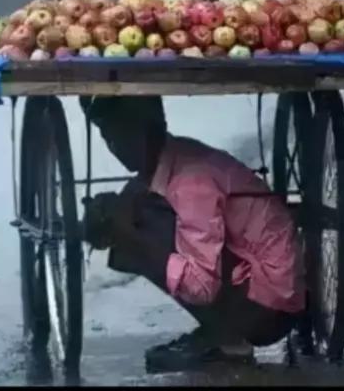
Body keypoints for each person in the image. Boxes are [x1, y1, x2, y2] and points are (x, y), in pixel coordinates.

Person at [79, 95, 304, 373]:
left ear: (153, 128)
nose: (116, 148)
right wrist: (103, 219)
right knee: (134, 212)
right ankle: (220, 329)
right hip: (264, 284)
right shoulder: (171, 157)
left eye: (125, 136)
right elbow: (129, 202)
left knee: (137, 226)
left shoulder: (191, 183)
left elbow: (201, 285)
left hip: (269, 308)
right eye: (108, 138)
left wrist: (128, 235)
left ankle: (229, 341)